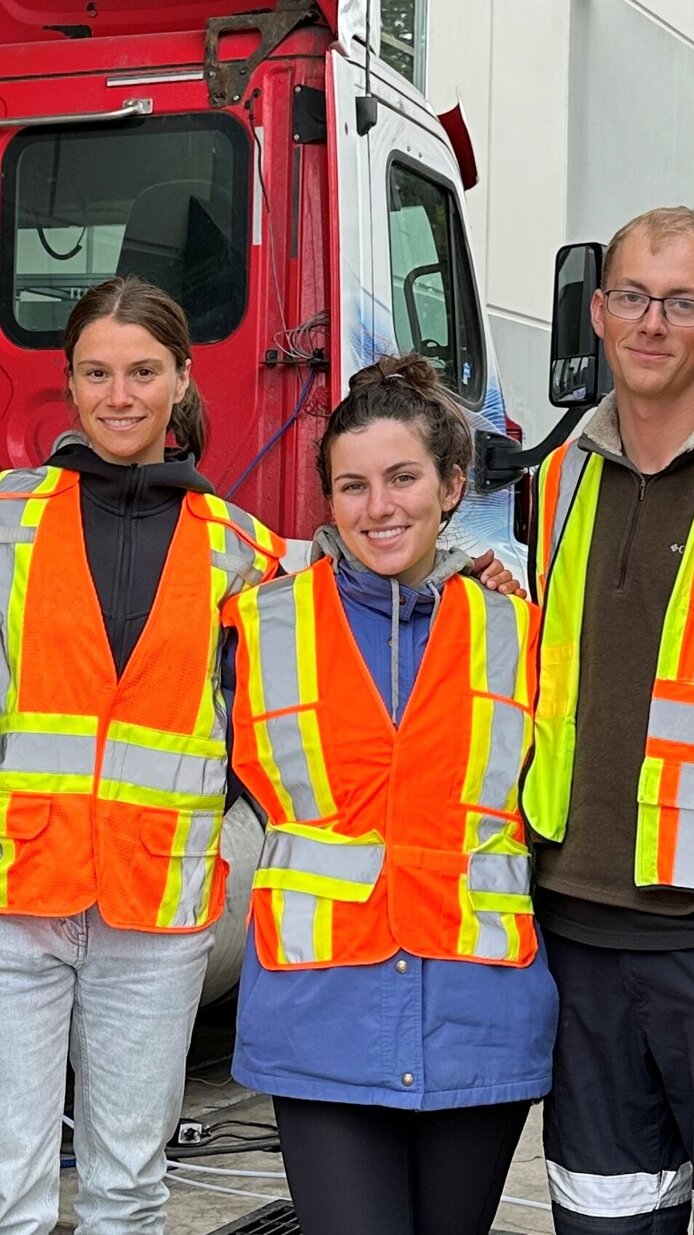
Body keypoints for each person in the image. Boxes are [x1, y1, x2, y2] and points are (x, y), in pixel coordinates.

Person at [226, 353, 559, 1235]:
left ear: (451, 486)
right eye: (353, 485)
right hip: (320, 1019)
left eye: (403, 478)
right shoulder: (261, 623)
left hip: (479, 1016)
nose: (379, 507)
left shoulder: (521, 631)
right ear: (329, 499)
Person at [0, 276, 286, 1235]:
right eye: (96, 373)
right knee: (7, 1191)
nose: (118, 395)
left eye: (142, 371)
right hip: (16, 897)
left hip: (158, 910)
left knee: (127, 1191)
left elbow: (356, 605)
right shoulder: (8, 520)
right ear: (70, 382)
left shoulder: (242, 548)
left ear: (182, 378)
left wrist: (466, 568)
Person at [522, 206, 694, 1233]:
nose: (652, 323)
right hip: (578, 920)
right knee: (605, 1216)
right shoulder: (556, 479)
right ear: (597, 312)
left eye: (682, 302)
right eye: (633, 296)